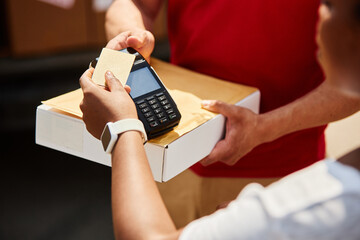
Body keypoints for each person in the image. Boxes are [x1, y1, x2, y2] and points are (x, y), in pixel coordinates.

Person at [79, 0, 360, 238]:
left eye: (330, 6)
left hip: (282, 170)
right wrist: (131, 38)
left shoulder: (303, 207)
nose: (322, 15)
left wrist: (122, 129)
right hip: (170, 157)